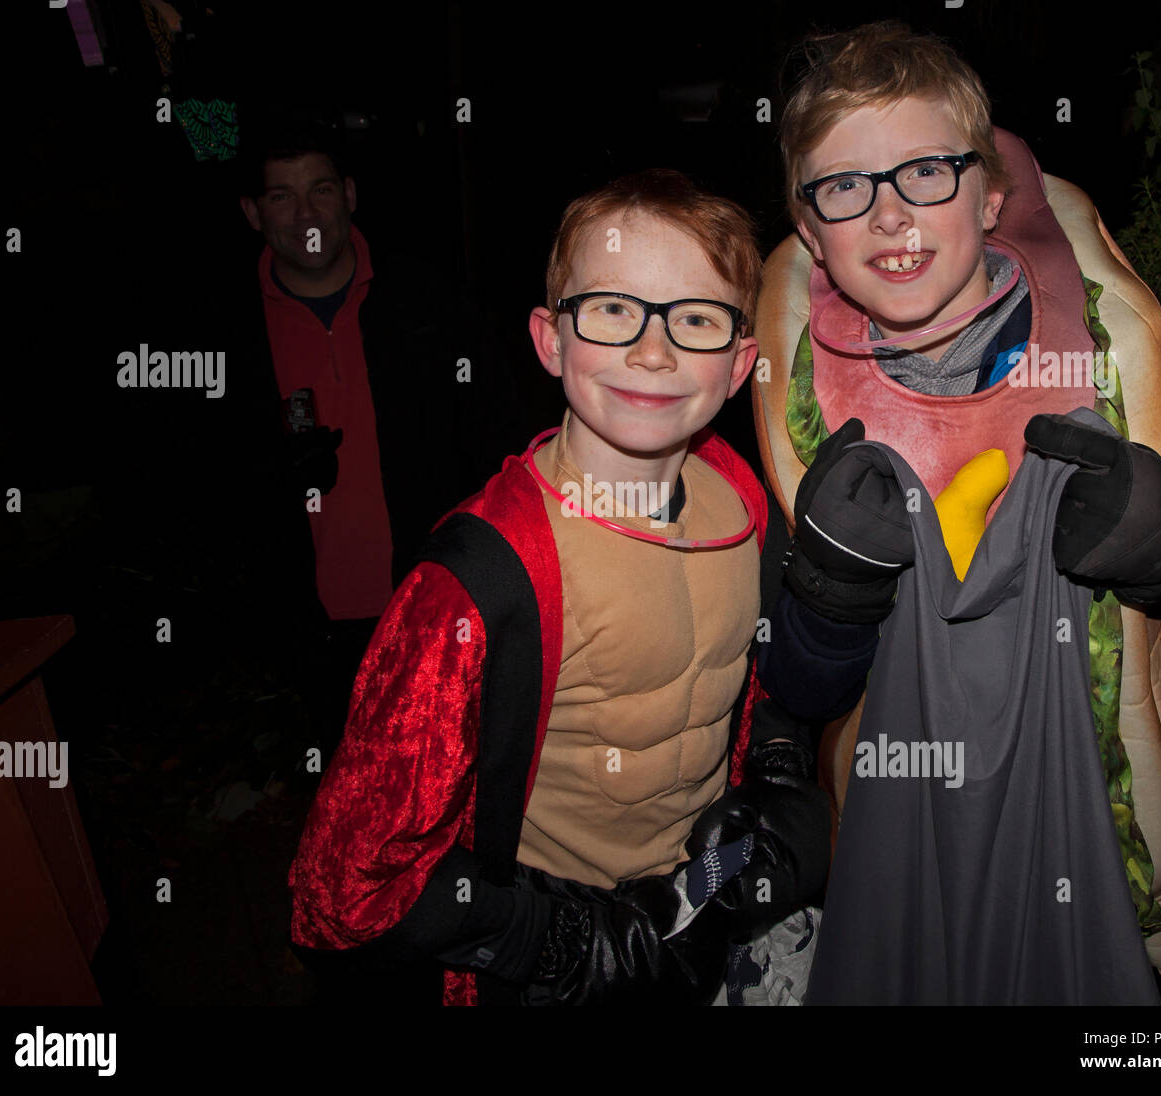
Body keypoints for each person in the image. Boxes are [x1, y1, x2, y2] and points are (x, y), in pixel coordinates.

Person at [754, 21, 1161, 1003]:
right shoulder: (802, 400)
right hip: (914, 873)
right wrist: (823, 592)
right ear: (810, 228)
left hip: (1099, 857)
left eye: (926, 172)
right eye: (845, 186)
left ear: (989, 194)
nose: (891, 215)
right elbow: (792, 684)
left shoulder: (1106, 352)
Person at [286, 169, 831, 1006]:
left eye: (696, 319)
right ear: (550, 340)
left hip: (704, 909)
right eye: (613, 311)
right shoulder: (482, 575)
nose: (654, 351)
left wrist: (780, 771)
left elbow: (753, 683)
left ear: (738, 365)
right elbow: (340, 890)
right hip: (557, 961)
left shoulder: (745, 499)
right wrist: (565, 942)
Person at [233, 124, 447, 755]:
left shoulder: (425, 303)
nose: (305, 212)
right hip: (311, 632)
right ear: (252, 213)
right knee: (345, 801)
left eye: (321, 188)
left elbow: (491, 440)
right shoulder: (228, 334)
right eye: (281, 196)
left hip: (429, 606)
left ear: (349, 194)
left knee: (443, 787)